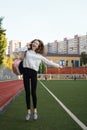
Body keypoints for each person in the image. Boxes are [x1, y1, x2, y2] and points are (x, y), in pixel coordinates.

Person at [17, 39, 62, 121]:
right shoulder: (26, 51)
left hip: (34, 73)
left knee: (33, 92)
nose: (35, 44)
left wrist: (58, 65)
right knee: (27, 92)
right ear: (32, 43)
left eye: (37, 43)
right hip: (26, 73)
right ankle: (28, 112)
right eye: (34, 42)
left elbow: (49, 62)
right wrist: (25, 47)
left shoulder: (39, 56)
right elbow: (17, 53)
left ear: (39, 46)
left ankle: (35, 111)